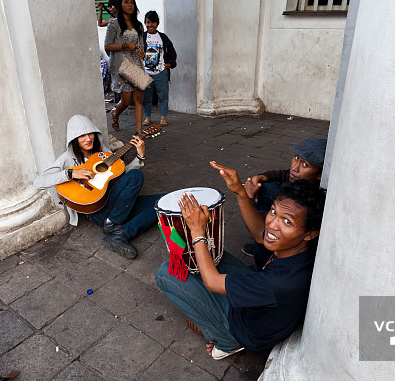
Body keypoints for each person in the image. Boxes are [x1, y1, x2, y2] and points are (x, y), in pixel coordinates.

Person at [155, 162, 326, 359]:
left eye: (287, 221)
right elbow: (260, 235)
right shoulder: (303, 247)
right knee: (208, 258)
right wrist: (241, 192)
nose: (272, 224)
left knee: (166, 273)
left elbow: (212, 282)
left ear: (310, 232)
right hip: (262, 303)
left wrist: (196, 231)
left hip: (246, 330)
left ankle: (227, 342)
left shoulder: (280, 283)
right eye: (273, 211)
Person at [34, 114, 160, 259]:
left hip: (116, 202)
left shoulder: (102, 152)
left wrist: (140, 157)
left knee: (161, 202)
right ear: (74, 139)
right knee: (137, 177)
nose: (88, 139)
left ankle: (121, 234)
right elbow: (39, 182)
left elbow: (122, 175)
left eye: (90, 133)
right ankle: (113, 223)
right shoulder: (67, 158)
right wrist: (71, 173)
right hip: (96, 209)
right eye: (82, 136)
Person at [241, 137, 327, 255]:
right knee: (267, 186)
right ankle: (262, 246)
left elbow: (276, 219)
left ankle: (263, 252)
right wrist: (261, 178)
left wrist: (247, 199)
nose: (295, 167)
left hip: (295, 246)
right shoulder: (302, 176)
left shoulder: (312, 200)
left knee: (262, 221)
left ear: (320, 175)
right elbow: (285, 174)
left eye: (305, 165)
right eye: (296, 158)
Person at [104, 0, 146, 134]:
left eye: (132, 2)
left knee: (138, 98)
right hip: (121, 66)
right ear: (120, 6)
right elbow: (107, 46)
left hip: (136, 65)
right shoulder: (114, 24)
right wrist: (126, 46)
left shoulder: (138, 25)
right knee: (126, 100)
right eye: (126, 2)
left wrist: (142, 52)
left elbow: (141, 45)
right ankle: (116, 113)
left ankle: (139, 132)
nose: (130, 5)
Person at [141, 11, 177, 128]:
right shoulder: (142, 37)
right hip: (146, 73)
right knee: (146, 96)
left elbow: (172, 53)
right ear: (145, 23)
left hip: (161, 73)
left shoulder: (163, 38)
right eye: (148, 22)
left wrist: (168, 65)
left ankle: (163, 117)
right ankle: (147, 117)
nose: (150, 25)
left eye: (153, 22)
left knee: (163, 95)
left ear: (157, 23)